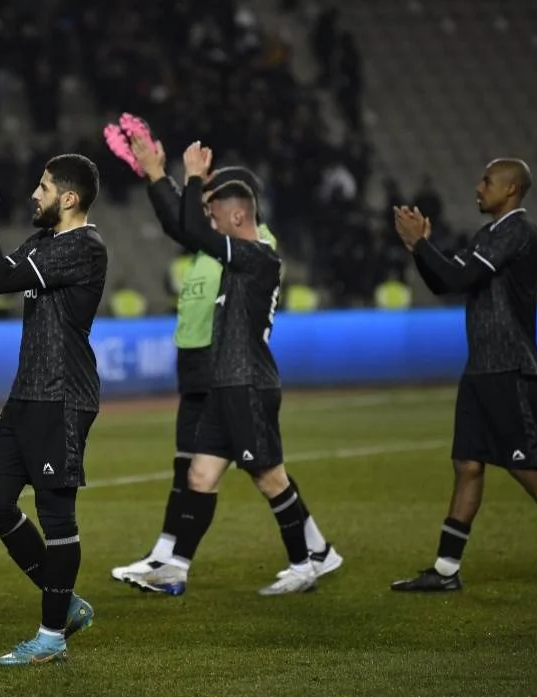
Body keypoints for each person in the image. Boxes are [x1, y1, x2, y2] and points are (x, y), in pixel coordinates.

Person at [110, 135, 341, 592]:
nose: (209, 218)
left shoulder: (258, 256)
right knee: (200, 474)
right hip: (224, 384)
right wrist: (162, 178)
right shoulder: (235, 258)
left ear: (238, 215)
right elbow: (189, 229)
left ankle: (305, 564)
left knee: (270, 477)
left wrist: (189, 176)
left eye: (215, 210)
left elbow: (193, 231)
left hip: (248, 383)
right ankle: (174, 567)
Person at [390, 158, 537, 593]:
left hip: (509, 366)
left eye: (487, 181)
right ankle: (446, 570)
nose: (478, 187)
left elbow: (459, 274)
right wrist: (420, 250)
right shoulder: (489, 234)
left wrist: (421, 246)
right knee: (468, 464)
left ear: (511, 189)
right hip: (482, 368)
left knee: (525, 467)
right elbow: (443, 283)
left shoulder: (518, 232)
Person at [0, 154, 108, 665]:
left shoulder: (83, 247)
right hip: (26, 392)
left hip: (62, 395)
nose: (35, 194)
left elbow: (0, 276)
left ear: (69, 199)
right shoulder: (45, 242)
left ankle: (51, 637)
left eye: (43, 187)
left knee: (57, 517)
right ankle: (65, 605)